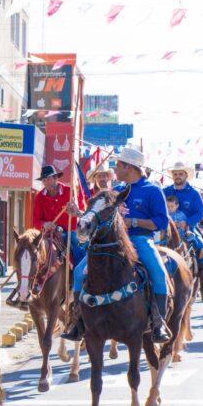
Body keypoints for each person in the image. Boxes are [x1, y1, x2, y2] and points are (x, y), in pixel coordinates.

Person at [63, 147, 172, 343]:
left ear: (129, 167)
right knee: (79, 273)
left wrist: (134, 222)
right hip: (111, 242)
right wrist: (78, 213)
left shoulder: (153, 190)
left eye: (118, 165)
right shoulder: (115, 191)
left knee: (158, 273)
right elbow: (98, 216)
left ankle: (159, 323)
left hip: (140, 240)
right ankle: (77, 322)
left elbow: (162, 222)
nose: (115, 169)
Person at [165, 161, 203, 299]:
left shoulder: (194, 193)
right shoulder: (166, 191)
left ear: (186, 175)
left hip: (189, 229)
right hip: (166, 230)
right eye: (175, 174)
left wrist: (186, 222)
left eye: (180, 174)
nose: (178, 176)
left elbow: (200, 214)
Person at [32, 164, 86, 265]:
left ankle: (78, 271)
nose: (46, 182)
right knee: (33, 248)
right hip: (49, 233)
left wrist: (75, 210)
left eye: (48, 179)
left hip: (69, 231)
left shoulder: (70, 192)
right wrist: (44, 224)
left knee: (76, 243)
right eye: (44, 180)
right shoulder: (39, 197)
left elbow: (82, 211)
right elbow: (36, 220)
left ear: (56, 178)